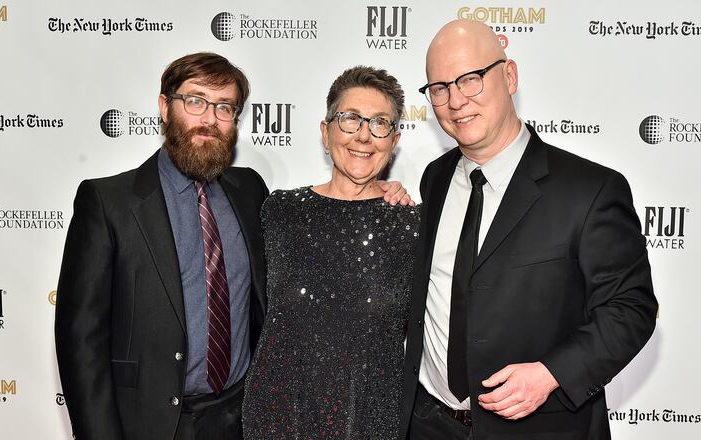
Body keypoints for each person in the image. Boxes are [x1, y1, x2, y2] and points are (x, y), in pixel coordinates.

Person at [54, 52, 410, 440]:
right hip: (149, 423)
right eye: (196, 101)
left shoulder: (252, 193)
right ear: (164, 107)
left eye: (224, 107)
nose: (209, 118)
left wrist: (386, 197)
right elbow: (80, 342)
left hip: (241, 418)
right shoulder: (109, 202)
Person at [399, 20, 658, 440]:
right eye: (440, 88)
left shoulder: (590, 190)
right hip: (428, 424)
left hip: (541, 429)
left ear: (509, 75)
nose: (456, 101)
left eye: (470, 79)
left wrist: (552, 374)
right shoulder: (436, 177)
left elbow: (631, 308)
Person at [242, 66, 420, 439]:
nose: (364, 136)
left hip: (372, 422)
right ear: (326, 132)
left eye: (379, 123)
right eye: (350, 119)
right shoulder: (280, 212)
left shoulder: (412, 226)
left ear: (394, 140)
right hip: (278, 420)